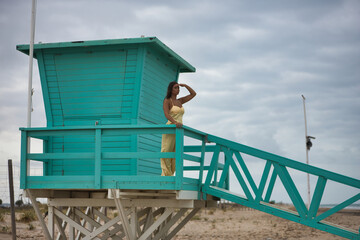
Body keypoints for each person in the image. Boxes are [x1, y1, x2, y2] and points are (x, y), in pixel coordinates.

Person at [160, 81, 196, 176]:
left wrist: (185, 85)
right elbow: (166, 114)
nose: (178, 89)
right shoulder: (167, 100)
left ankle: (171, 174)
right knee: (167, 150)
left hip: (178, 130)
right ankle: (165, 175)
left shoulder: (179, 101)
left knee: (176, 152)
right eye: (176, 88)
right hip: (170, 128)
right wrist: (175, 122)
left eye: (178, 88)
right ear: (171, 89)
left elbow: (193, 94)